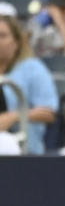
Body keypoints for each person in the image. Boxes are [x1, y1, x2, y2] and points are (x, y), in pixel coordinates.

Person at [0, 15, 57, 154]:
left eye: (2, 35)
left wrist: (13, 116)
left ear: (16, 42)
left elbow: (49, 113)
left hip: (23, 150)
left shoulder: (32, 68)